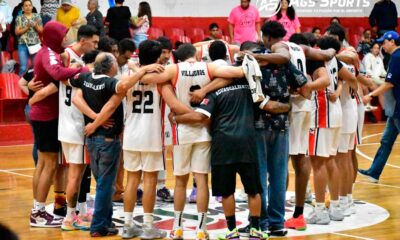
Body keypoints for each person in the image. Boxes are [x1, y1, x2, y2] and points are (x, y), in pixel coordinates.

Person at [170, 47, 268, 240]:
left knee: (226, 191)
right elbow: (264, 104)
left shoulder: (213, 93)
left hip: (223, 144)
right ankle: (256, 229)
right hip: (247, 142)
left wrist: (176, 118)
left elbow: (199, 116)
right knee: (254, 189)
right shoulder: (249, 86)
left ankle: (232, 231)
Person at [70, 52, 164, 237]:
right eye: (114, 60)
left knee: (104, 184)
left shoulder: (86, 77)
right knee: (106, 185)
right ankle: (98, 226)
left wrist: (94, 119)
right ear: (110, 66)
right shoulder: (110, 83)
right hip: (107, 139)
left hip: (92, 139)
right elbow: (118, 93)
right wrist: (143, 68)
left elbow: (75, 97)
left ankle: (106, 221)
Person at [29, 25, 100, 231]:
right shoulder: (54, 54)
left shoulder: (54, 53)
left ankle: (38, 209)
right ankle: (39, 212)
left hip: (52, 116)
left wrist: (30, 92)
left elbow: (38, 79)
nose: (66, 37)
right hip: (48, 116)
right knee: (49, 165)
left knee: (44, 165)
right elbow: (56, 74)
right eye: (63, 33)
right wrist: (84, 71)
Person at [359, 31, 400, 183]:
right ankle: (374, 172)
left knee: (387, 141)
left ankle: (374, 171)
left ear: (392, 42)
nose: (382, 45)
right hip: (393, 108)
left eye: (384, 42)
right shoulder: (394, 57)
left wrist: (370, 95)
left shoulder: (396, 57)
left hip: (398, 107)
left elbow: (389, 83)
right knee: (386, 141)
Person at [15, 0, 42, 76]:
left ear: (32, 7)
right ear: (23, 8)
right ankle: (20, 85)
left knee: (36, 67)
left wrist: (36, 26)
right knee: (23, 67)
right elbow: (17, 32)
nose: (28, 7)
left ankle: (35, 85)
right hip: (23, 44)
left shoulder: (37, 16)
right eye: (26, 6)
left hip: (35, 44)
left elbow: (42, 31)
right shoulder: (19, 18)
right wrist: (27, 27)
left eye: (29, 5)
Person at [363, 42, 387, 108]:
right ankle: (384, 111)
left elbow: (383, 71)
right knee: (381, 90)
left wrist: (386, 76)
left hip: (378, 79)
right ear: (371, 49)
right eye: (375, 48)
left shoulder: (379, 58)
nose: (377, 50)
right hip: (369, 78)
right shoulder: (368, 56)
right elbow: (368, 71)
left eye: (378, 48)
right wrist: (377, 78)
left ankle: (386, 110)